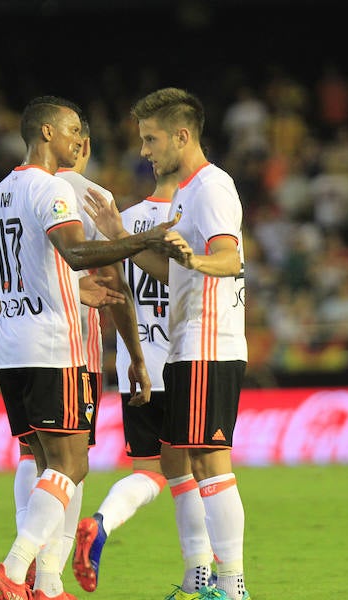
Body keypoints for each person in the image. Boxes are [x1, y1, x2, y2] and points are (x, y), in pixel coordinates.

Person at [0, 95, 181, 600]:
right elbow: (78, 255)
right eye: (71, 130)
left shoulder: (0, 192)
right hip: (58, 347)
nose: (77, 139)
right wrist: (139, 240)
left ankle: (46, 584)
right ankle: (14, 570)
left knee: (42, 461)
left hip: (13, 349)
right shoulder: (56, 190)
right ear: (47, 133)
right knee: (70, 466)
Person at [83, 88, 251, 600]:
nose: (144, 151)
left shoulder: (211, 185)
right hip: (185, 345)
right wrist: (123, 236)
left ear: (182, 135)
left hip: (208, 341)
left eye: (151, 139)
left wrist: (195, 260)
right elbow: (169, 272)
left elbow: (230, 259)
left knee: (210, 464)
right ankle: (212, 583)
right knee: (198, 466)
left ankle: (232, 586)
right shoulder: (185, 193)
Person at [13, 118, 152, 591]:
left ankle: (38, 570)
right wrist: (134, 354)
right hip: (68, 347)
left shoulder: (11, 190)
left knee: (33, 457)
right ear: (82, 142)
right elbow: (114, 284)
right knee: (71, 464)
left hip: (15, 344)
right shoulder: (88, 195)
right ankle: (36, 571)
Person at [74, 167, 217, 595]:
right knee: (199, 469)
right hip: (186, 359)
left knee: (151, 470)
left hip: (137, 363)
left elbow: (112, 291)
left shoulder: (122, 221)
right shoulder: (193, 218)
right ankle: (202, 578)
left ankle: (102, 522)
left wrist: (131, 357)